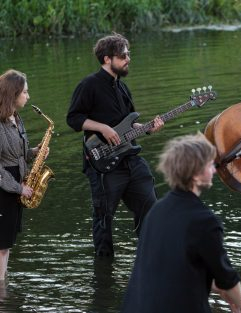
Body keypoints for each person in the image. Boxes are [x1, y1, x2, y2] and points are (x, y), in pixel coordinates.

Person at [121, 133, 241, 313]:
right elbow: (227, 277)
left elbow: (165, 265)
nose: (214, 169)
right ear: (196, 175)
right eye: (209, 164)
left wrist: (211, 283)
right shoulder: (204, 220)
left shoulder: (156, 212)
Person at [66, 33, 164, 257]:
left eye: (128, 54)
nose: (128, 59)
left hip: (131, 159)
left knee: (150, 205)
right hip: (102, 163)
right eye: (123, 55)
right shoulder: (88, 85)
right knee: (104, 219)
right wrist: (102, 127)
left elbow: (129, 122)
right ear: (107, 59)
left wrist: (148, 127)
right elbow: (73, 119)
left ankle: (149, 257)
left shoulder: (122, 87)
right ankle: (103, 274)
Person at [0, 69, 37, 281]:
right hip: (4, 189)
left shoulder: (16, 117)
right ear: (14, 94)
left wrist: (34, 152)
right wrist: (19, 188)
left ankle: (3, 285)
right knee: (2, 246)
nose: (28, 96)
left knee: (6, 245)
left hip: (13, 185)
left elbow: (16, 154)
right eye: (25, 92)